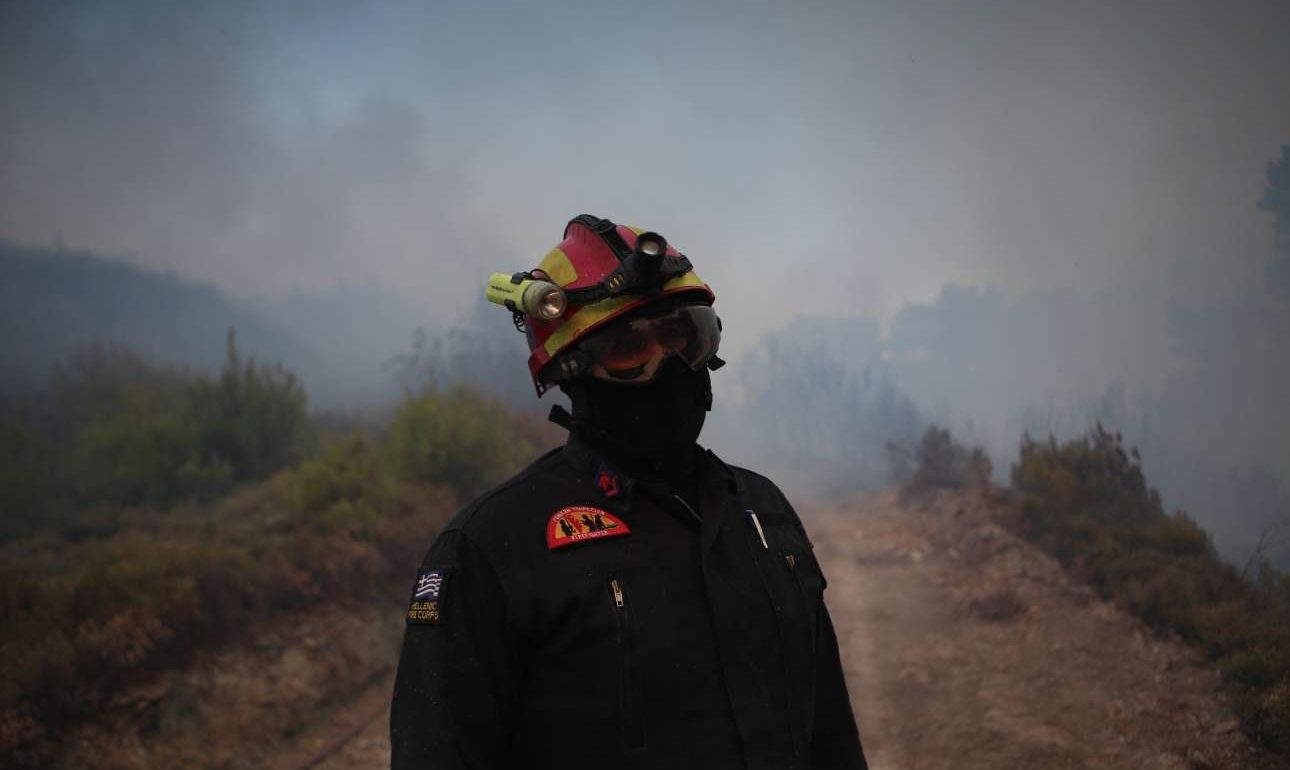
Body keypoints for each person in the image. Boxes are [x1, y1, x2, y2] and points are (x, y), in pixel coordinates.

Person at [389, 215, 868, 769]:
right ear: (573, 369)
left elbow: (829, 732)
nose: (664, 363)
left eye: (680, 336)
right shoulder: (490, 549)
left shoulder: (763, 514)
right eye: (628, 349)